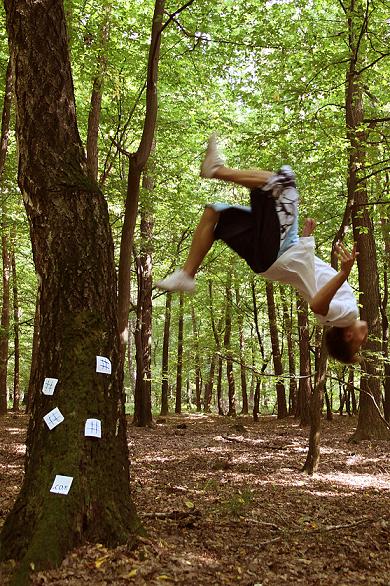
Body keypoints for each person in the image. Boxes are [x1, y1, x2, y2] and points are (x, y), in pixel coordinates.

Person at [156, 134, 368, 364]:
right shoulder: (333, 316)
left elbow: (316, 301)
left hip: (280, 253)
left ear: (348, 336)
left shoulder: (347, 315)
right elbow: (312, 279)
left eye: (358, 344)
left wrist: (345, 272)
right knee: (214, 213)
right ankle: (187, 274)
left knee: (282, 181)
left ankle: (215, 169)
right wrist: (307, 240)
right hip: (272, 261)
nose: (363, 339)